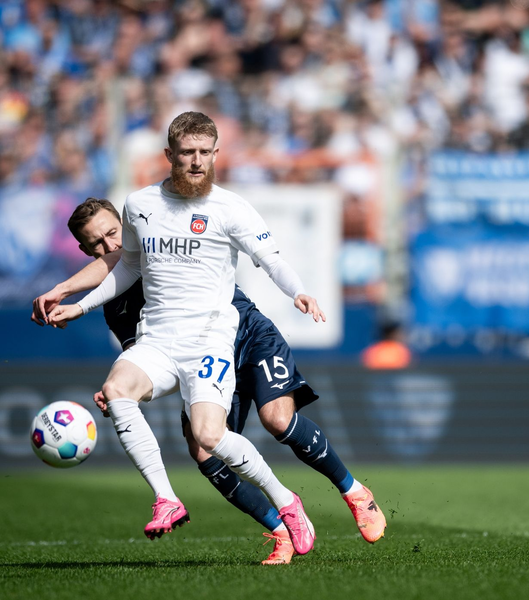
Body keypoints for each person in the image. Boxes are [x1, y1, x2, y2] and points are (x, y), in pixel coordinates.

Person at [34, 196, 387, 564]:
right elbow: (146, 351)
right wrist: (124, 383)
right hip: (200, 357)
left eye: (113, 232)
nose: (110, 245)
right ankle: (280, 529)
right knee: (204, 451)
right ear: (83, 249)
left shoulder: (156, 244)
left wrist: (65, 292)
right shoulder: (116, 304)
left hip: (246, 335)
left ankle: (355, 492)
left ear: (128, 225)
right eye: (97, 243)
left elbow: (120, 262)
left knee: (277, 419)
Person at [42, 112, 321, 557]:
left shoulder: (230, 207)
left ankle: (286, 500)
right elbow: (128, 266)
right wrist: (77, 306)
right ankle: (166, 499)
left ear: (215, 154)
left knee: (210, 438)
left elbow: (270, 258)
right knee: (116, 389)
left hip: (209, 337)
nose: (195, 161)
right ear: (169, 155)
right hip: (157, 337)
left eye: (203, 153)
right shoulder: (139, 205)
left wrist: (298, 292)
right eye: (186, 153)